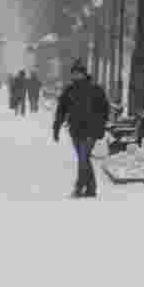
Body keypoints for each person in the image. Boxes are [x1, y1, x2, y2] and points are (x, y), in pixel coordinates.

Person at [52, 60, 110, 199]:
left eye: (78, 73)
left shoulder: (95, 89)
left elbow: (104, 110)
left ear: (84, 74)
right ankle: (91, 188)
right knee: (83, 159)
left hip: (91, 130)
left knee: (83, 158)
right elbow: (61, 110)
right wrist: (56, 127)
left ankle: (79, 187)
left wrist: (100, 127)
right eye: (74, 74)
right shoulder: (69, 90)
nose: (76, 76)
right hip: (76, 130)